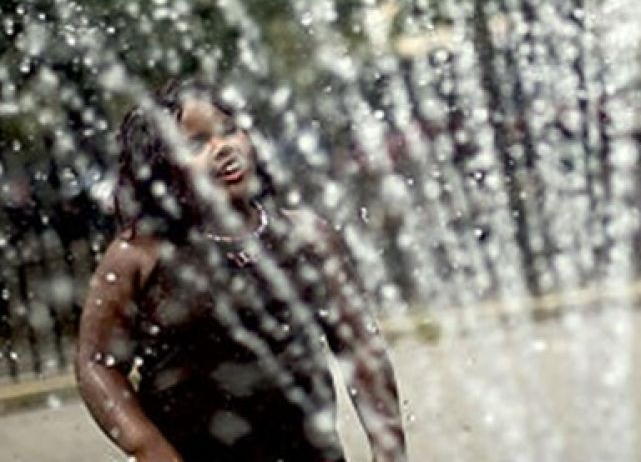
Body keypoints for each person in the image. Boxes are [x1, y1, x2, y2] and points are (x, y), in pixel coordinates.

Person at [76, 79, 406, 462]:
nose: (223, 149)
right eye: (197, 144)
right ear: (162, 165)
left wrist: (389, 451)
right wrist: (148, 448)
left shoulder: (306, 238)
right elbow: (96, 362)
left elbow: (359, 347)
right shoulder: (140, 255)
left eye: (229, 130)